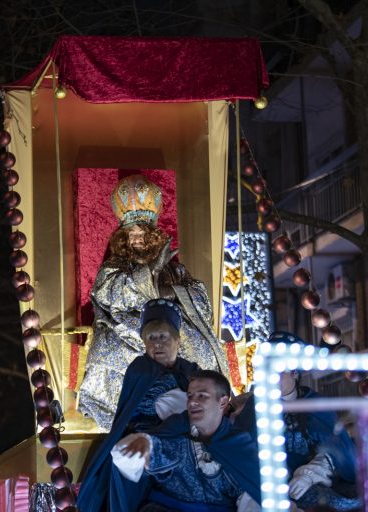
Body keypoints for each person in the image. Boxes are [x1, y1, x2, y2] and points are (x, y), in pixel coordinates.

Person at [78, 174, 229, 431]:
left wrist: (171, 291)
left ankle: (196, 406)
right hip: (128, 327)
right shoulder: (115, 266)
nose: (137, 239)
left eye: (142, 234)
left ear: (152, 237)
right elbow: (108, 292)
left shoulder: (174, 269)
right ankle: (129, 411)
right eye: (131, 234)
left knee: (196, 345)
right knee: (113, 346)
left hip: (172, 326)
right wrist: (149, 276)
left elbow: (200, 299)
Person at [77, 298, 201, 512]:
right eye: (151, 338)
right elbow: (133, 410)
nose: (157, 344)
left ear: (177, 340)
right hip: (143, 440)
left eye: (163, 337)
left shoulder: (191, 370)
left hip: (185, 441)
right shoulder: (140, 369)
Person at [236, 332, 360, 511]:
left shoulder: (315, 405)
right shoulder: (253, 407)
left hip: (312, 484)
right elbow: (241, 451)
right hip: (262, 487)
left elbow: (335, 450)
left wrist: (309, 475)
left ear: (294, 372)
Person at [110, 370, 262, 512]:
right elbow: (152, 448)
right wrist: (144, 443)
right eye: (190, 396)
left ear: (223, 402)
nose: (192, 402)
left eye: (202, 396)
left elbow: (253, 493)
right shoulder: (177, 427)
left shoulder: (239, 444)